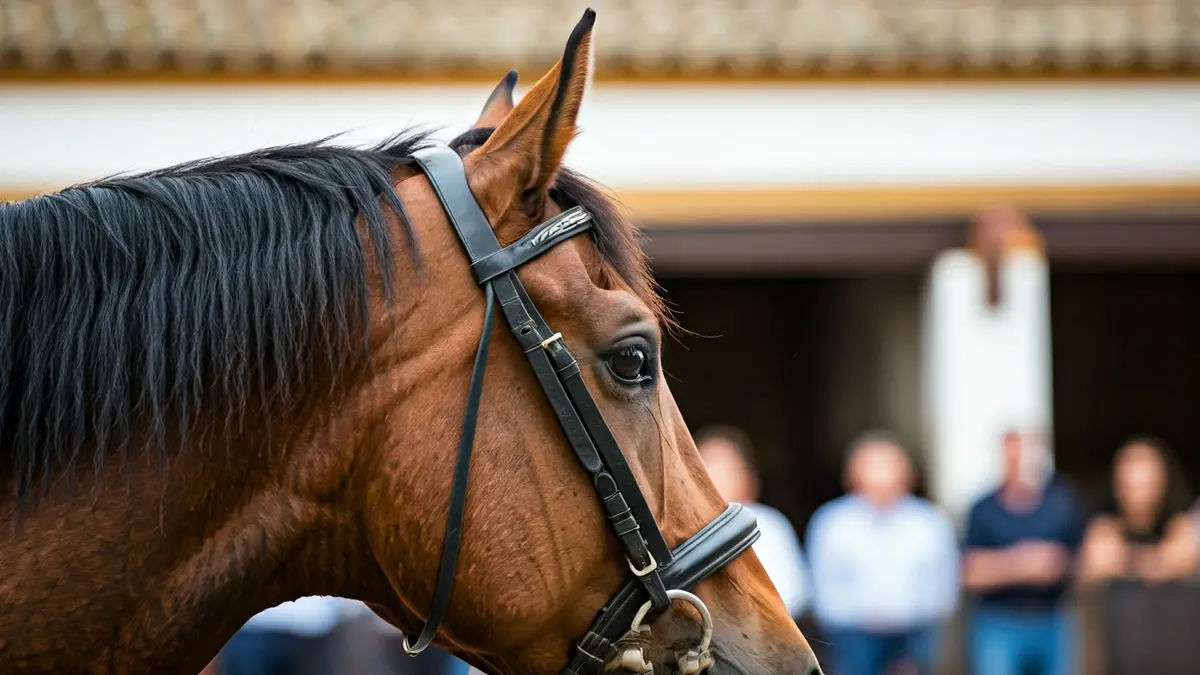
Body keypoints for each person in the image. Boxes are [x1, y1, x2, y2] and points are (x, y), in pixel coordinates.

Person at [805, 430, 959, 675]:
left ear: (907, 473)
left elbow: (943, 582)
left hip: (914, 635)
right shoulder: (832, 522)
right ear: (851, 474)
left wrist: (908, 616)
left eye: (888, 465)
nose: (880, 476)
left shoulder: (929, 521)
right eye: (871, 466)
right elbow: (822, 586)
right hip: (854, 638)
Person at [961, 429, 1086, 675]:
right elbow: (969, 573)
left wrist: (1059, 563)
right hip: (999, 622)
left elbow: (1083, 559)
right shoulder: (983, 510)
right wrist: (1022, 564)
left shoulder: (1060, 503)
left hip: (1052, 619)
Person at [695, 424, 811, 620]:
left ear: (745, 476)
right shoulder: (675, 530)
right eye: (707, 467)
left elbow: (794, 592)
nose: (716, 478)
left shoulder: (771, 526)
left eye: (726, 469)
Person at [1078, 435, 1198, 585]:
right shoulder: (1105, 522)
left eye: (1145, 482)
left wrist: (1128, 561)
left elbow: (1182, 559)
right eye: (1131, 482)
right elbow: (1097, 562)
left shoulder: (1177, 520)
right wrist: (1155, 562)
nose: (1137, 484)